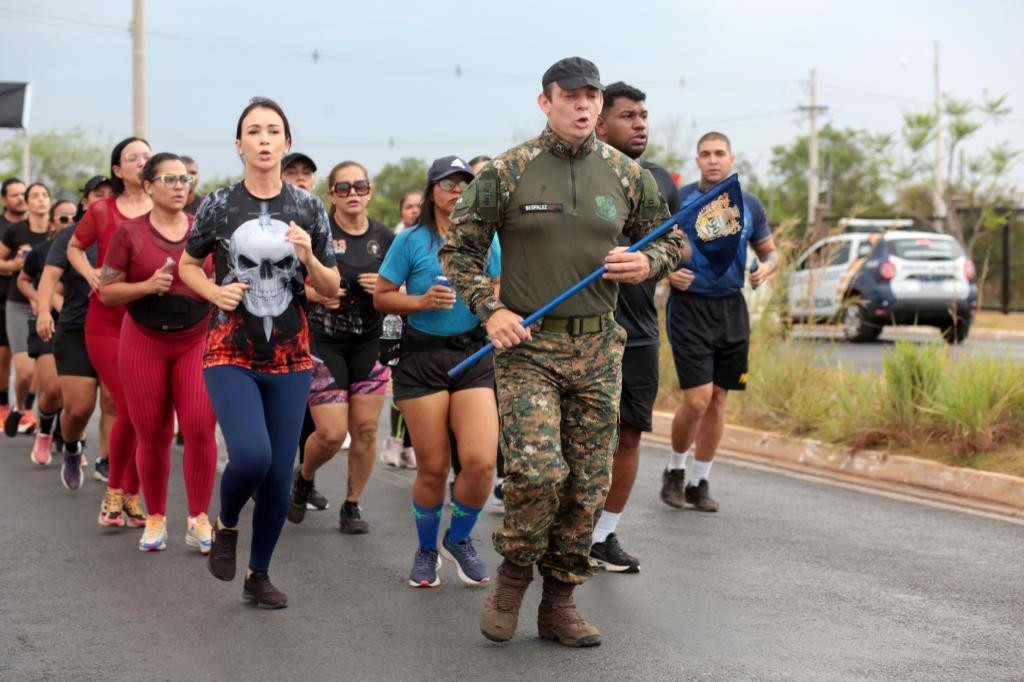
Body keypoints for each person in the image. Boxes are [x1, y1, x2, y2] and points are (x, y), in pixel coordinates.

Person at [440, 57, 684, 647]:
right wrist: (491, 310)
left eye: (591, 96)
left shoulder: (628, 175)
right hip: (529, 346)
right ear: (545, 102)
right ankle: (513, 576)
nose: (582, 105)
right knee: (539, 472)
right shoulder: (509, 170)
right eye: (570, 96)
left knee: (588, 484)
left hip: (599, 347)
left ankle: (560, 602)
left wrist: (647, 262)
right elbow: (459, 251)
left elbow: (672, 239)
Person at [180, 97, 338, 609]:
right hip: (230, 350)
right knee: (252, 455)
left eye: (273, 131)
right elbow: (186, 265)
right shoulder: (218, 204)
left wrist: (308, 254)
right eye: (254, 131)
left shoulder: (309, 207)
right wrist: (213, 292)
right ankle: (226, 524)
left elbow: (330, 287)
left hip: (292, 357)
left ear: (286, 143)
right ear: (239, 145)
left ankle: (258, 574)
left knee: (275, 477)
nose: (264, 139)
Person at [376, 155, 501, 588]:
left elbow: (497, 284)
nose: (457, 192)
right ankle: (426, 550)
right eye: (448, 184)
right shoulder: (411, 240)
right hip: (421, 360)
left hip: (472, 357)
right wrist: (421, 302)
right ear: (432, 191)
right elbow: (382, 295)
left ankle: (459, 538)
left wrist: (492, 308)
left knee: (481, 463)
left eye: (465, 184)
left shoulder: (485, 237)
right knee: (433, 468)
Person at [100, 152, 218, 553]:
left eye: (185, 179)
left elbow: (220, 278)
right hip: (144, 340)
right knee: (152, 433)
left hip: (195, 339)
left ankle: (198, 518)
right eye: (169, 179)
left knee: (199, 427)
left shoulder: (204, 231)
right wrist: (147, 286)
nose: (180, 186)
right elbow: (108, 292)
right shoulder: (130, 234)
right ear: (148, 186)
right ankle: (155, 518)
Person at [590, 81, 682, 573]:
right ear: (600, 123)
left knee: (628, 436)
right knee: (576, 438)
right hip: (583, 328)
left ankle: (602, 536)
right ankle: (560, 530)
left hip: (640, 330)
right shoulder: (577, 176)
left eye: (643, 115)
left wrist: (663, 258)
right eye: (628, 116)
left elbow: (677, 245)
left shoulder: (658, 179)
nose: (640, 123)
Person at [660, 131, 778, 512]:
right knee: (697, 400)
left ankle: (699, 481)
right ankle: (675, 470)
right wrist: (668, 273)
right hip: (689, 308)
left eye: (719, 153)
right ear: (697, 160)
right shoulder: (681, 200)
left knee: (719, 399)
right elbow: (654, 249)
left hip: (731, 308)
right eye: (706, 154)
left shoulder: (749, 204)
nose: (713, 160)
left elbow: (770, 253)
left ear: (731, 158)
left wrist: (766, 268)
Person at [288, 160, 392, 534]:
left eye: (360, 186)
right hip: (324, 342)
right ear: (331, 194)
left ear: (369, 191)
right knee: (332, 434)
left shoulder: (385, 237)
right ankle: (305, 476)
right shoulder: (317, 233)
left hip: (370, 342)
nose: (353, 194)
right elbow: (289, 286)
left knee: (365, 430)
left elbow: (403, 289)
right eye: (343, 188)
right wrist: (316, 294)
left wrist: (386, 286)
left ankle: (352, 504)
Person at [68, 136, 152, 528]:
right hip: (106, 322)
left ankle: (129, 493)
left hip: (151, 322)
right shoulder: (102, 210)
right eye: (133, 157)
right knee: (129, 407)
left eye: (147, 156)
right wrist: (90, 273)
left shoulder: (166, 207)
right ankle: (117, 491)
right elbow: (74, 247)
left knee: (145, 413)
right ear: (118, 169)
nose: (142, 161)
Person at [36, 175, 116, 489]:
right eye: (98, 194)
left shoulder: (128, 230)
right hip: (75, 329)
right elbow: (49, 277)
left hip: (115, 329)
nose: (105, 199)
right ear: (85, 202)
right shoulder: (70, 236)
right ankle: (71, 447)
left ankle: (105, 460)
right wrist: (44, 311)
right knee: (79, 408)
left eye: (111, 193)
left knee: (112, 402)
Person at [18, 199, 76, 468]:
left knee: (74, 393)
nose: (69, 223)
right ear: (53, 222)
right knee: (52, 387)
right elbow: (23, 280)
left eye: (74, 218)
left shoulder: (86, 251)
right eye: (63, 218)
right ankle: (44, 431)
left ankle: (69, 440)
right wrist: (40, 300)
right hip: (45, 324)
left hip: (75, 325)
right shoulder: (41, 251)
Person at [0, 182, 56, 438]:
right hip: (19, 304)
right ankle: (19, 407)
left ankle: (29, 413)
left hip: (50, 307)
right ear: (28, 203)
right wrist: (15, 265)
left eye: (44, 195)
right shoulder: (15, 230)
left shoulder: (57, 234)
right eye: (34, 196)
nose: (40, 199)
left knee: (45, 370)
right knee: (24, 371)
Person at [0, 178, 26, 420]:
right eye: (15, 195)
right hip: (3, 298)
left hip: (30, 299)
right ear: (4, 200)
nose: (20, 198)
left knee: (32, 361)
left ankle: (25, 409)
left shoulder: (37, 224)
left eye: (22, 194)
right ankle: (2, 405)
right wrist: (13, 266)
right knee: (3, 357)